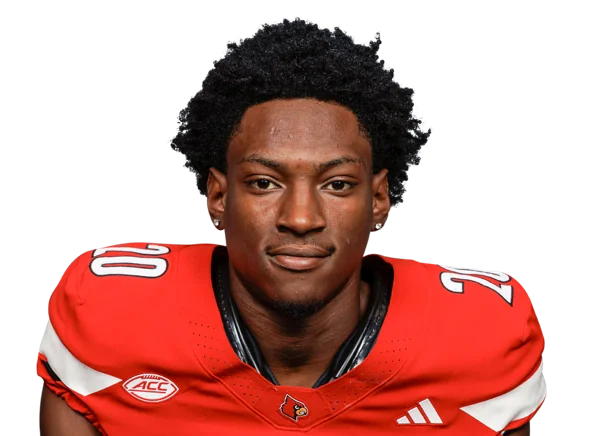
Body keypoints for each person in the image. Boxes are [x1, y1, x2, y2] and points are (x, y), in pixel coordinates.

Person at [37, 18, 545, 435]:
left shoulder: (483, 339)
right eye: (264, 183)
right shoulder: (108, 314)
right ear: (218, 196)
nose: (301, 218)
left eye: (338, 184)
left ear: (378, 199)